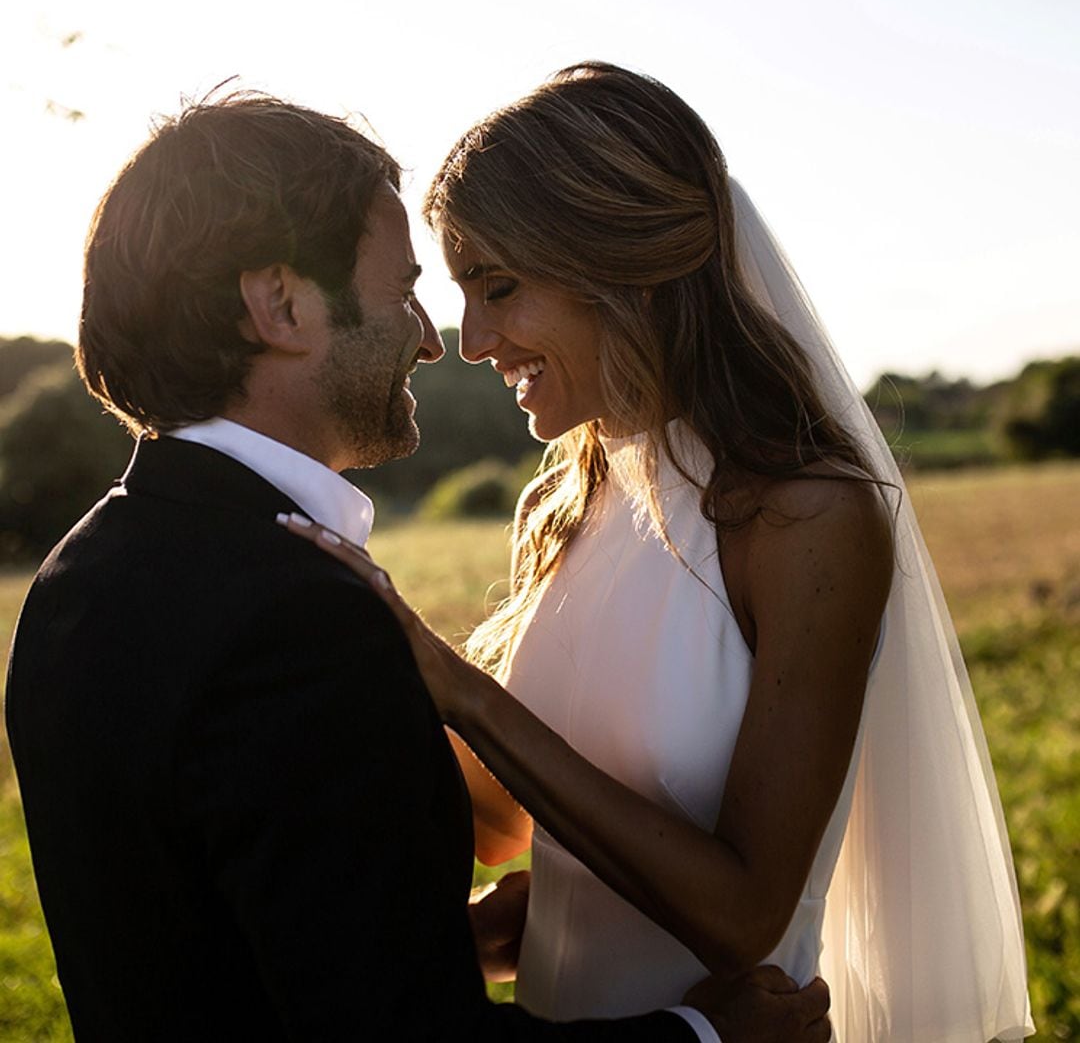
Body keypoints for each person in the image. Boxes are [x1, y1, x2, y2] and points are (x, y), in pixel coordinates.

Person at [3, 94, 832, 1042]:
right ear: (280, 305)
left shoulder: (75, 579)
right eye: (403, 290)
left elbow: (221, 939)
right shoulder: (302, 621)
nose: (437, 339)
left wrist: (424, 939)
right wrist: (708, 1037)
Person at [287, 63, 1034, 1041]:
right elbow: (505, 825)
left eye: (499, 287)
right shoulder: (561, 501)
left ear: (617, 267)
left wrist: (461, 689)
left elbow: (744, 914)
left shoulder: (806, 520)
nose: (472, 341)